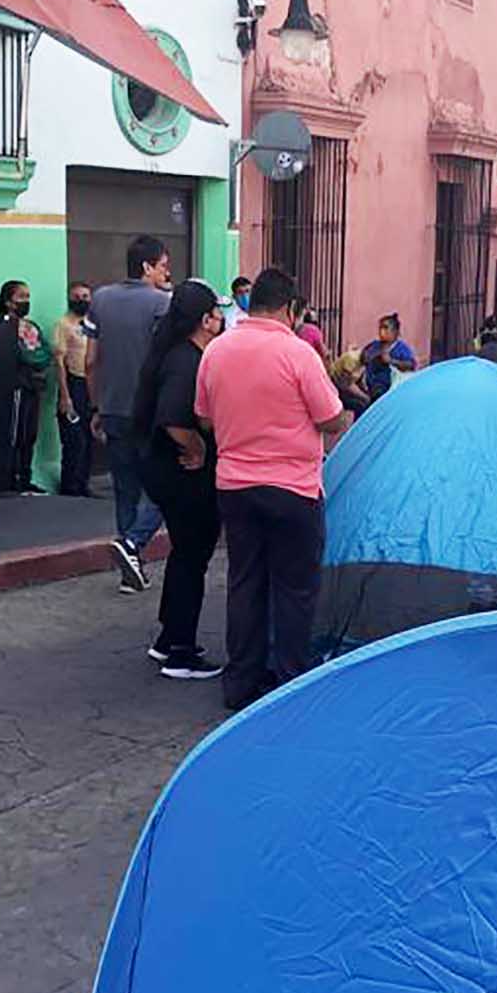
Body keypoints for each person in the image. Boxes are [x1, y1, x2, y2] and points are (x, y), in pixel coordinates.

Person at [196, 268, 348, 710]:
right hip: (292, 489)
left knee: (245, 583)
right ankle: (289, 685)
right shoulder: (298, 353)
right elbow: (330, 417)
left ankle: (240, 682)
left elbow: (204, 417)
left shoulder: (217, 350)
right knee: (294, 588)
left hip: (235, 487)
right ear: (289, 308)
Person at [133, 280, 226, 680]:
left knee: (184, 555)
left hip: (165, 472)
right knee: (192, 559)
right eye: (218, 313)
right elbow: (174, 419)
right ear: (205, 320)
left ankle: (169, 637)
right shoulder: (187, 361)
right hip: (183, 477)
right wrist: (200, 449)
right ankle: (182, 653)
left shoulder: (173, 354)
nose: (224, 319)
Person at [87, 235, 172, 593]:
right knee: (164, 487)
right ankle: (134, 543)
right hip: (150, 412)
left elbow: (90, 360)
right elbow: (167, 361)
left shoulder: (100, 300)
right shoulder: (162, 304)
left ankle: (129, 565)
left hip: (113, 409)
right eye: (164, 266)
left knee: (125, 488)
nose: (167, 274)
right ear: (147, 267)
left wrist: (96, 405)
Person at [0, 280, 52, 493]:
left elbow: (44, 352)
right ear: (9, 302)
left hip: (34, 385)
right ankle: (11, 477)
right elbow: (23, 354)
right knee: (16, 432)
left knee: (31, 433)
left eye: (28, 297)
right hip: (16, 386)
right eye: (21, 297)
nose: (26, 301)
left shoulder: (31, 326)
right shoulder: (4, 328)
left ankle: (26, 476)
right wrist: (32, 356)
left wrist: (35, 356)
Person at [54, 280, 95, 496]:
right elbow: (59, 361)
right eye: (77, 297)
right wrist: (65, 396)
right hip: (73, 382)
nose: (81, 301)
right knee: (73, 438)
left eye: (85, 297)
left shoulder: (92, 324)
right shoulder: (63, 324)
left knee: (88, 437)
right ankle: (69, 486)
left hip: (91, 384)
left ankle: (83, 484)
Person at [361, 314, 418, 400]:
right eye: (380, 328)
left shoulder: (401, 348)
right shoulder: (374, 345)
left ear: (395, 331)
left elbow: (411, 365)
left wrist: (391, 361)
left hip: (390, 391)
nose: (382, 331)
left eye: (386, 328)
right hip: (369, 389)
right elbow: (364, 357)